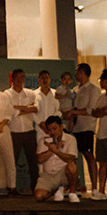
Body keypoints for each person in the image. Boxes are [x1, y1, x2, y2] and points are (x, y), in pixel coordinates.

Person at [64, 63, 102, 198]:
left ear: (82, 73)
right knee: (71, 158)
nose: (75, 74)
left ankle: (95, 188)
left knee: (89, 156)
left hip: (86, 127)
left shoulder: (93, 90)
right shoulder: (75, 89)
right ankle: (75, 186)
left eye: (77, 71)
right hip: (74, 128)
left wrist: (74, 112)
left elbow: (91, 109)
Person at [4, 69, 39, 191]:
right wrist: (26, 109)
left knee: (33, 161)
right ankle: (11, 187)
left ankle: (35, 186)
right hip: (14, 132)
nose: (20, 80)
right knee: (12, 162)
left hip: (29, 131)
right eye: (17, 77)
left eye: (22, 77)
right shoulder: (7, 94)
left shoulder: (30, 93)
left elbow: (35, 108)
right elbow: (10, 111)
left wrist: (19, 109)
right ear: (12, 79)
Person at [34, 116, 79, 203]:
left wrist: (57, 151)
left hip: (63, 173)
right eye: (50, 130)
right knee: (39, 196)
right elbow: (40, 159)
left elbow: (71, 158)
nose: (52, 132)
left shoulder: (70, 139)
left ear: (61, 127)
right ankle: (57, 189)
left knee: (72, 165)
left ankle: (72, 193)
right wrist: (52, 149)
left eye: (55, 128)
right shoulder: (43, 140)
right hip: (48, 175)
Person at [33, 70, 61, 144]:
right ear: (39, 80)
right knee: (41, 152)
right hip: (40, 129)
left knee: (54, 151)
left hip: (53, 129)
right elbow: (32, 112)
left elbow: (58, 110)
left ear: (49, 80)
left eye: (46, 78)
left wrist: (51, 124)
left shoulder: (56, 93)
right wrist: (40, 123)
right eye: (42, 78)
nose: (45, 80)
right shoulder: (34, 94)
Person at [92, 69, 107, 200]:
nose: (101, 83)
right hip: (101, 134)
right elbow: (95, 112)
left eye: (101, 80)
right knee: (102, 163)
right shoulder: (102, 96)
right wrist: (102, 110)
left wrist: (102, 110)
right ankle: (101, 191)